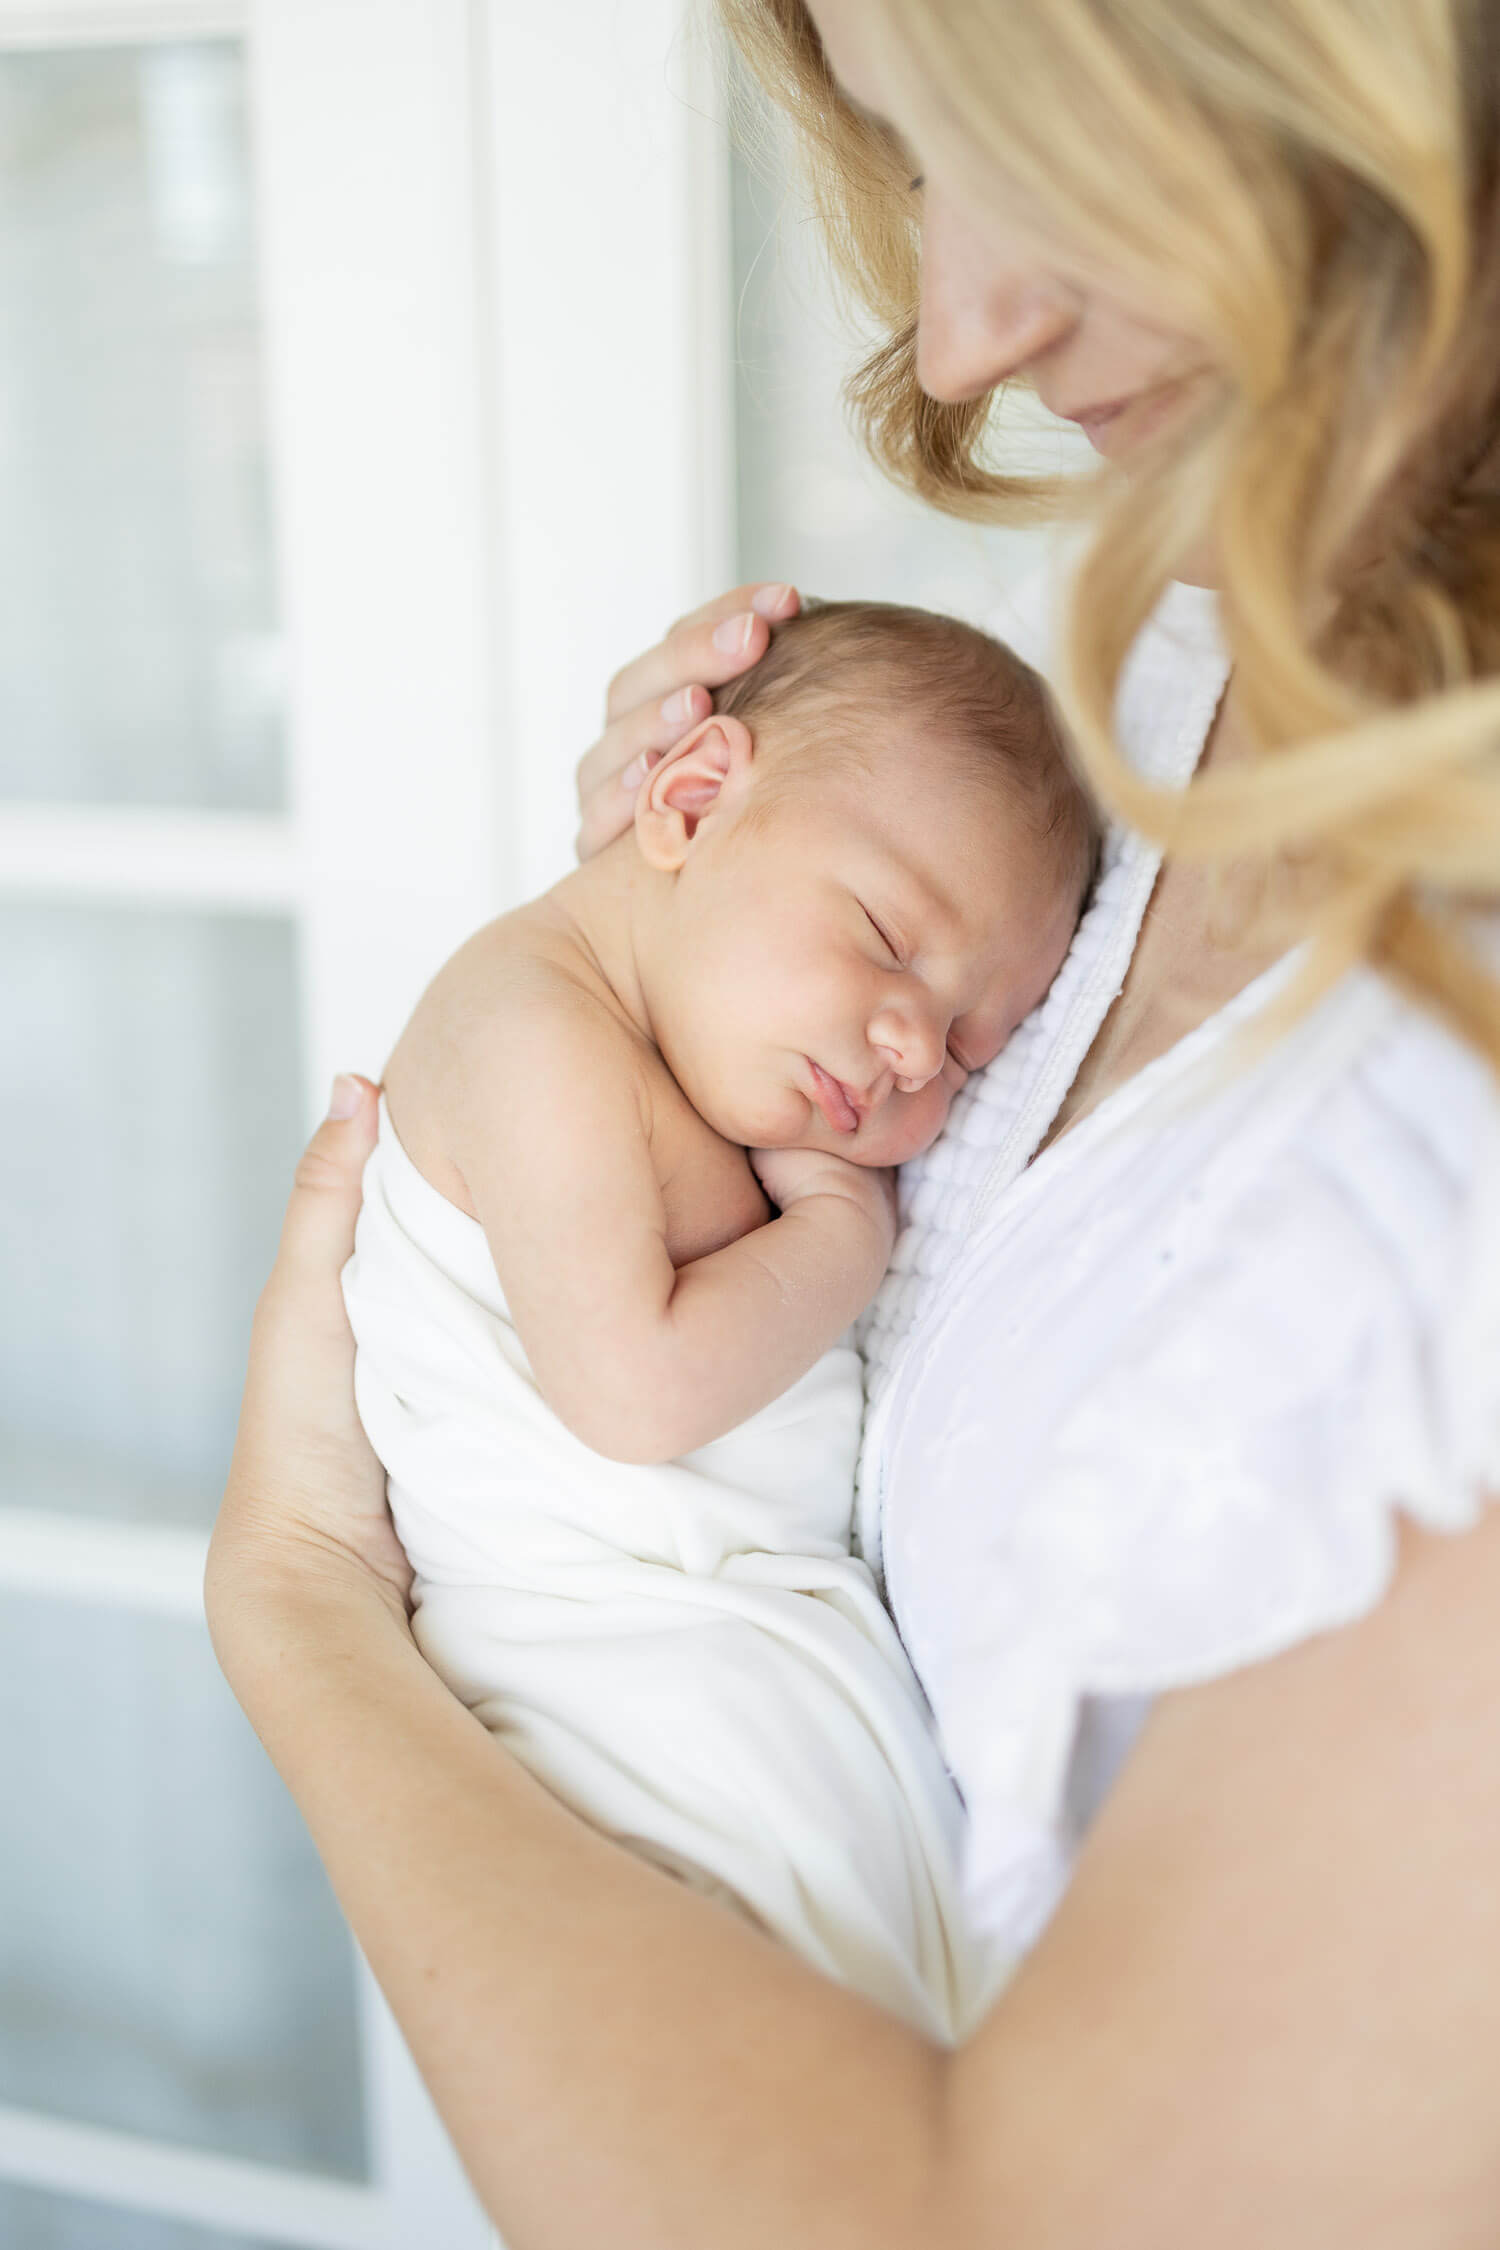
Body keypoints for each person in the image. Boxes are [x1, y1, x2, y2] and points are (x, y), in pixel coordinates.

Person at [207, 0, 1500, 2240]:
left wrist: (305, 1630)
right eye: (917, 161)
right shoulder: (1163, 668)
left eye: (1060, 144)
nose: (963, 328)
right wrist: (685, 976)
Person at [343, 602, 1090, 2038]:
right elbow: (633, 1394)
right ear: (688, 799)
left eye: (970, 1044)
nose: (913, 1047)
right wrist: (838, 1230)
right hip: (608, 1671)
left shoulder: (692, 1043)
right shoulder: (532, 1029)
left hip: (729, 1646)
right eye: (885, 938)